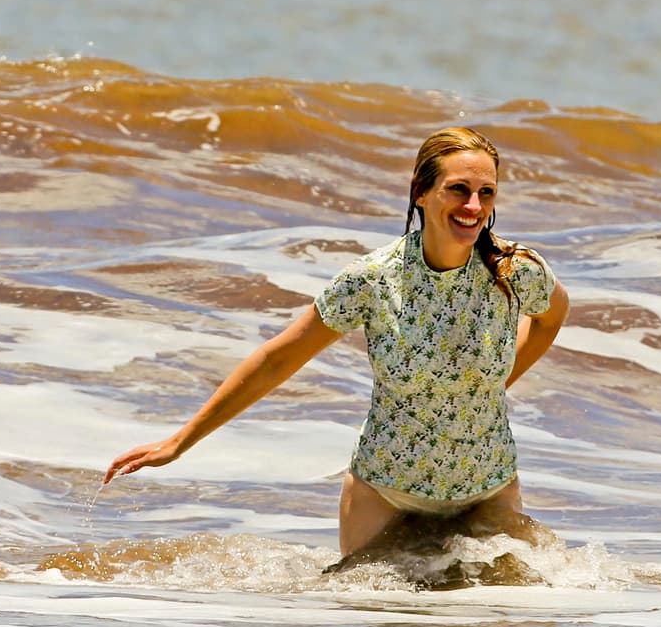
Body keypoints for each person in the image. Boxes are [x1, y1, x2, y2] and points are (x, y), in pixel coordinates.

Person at [104, 127, 570, 559]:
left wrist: (494, 384)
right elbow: (277, 359)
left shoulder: (514, 271)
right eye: (458, 189)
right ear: (421, 193)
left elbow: (551, 319)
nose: (473, 206)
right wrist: (180, 441)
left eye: (485, 193)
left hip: (488, 486)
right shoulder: (371, 280)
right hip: (387, 491)